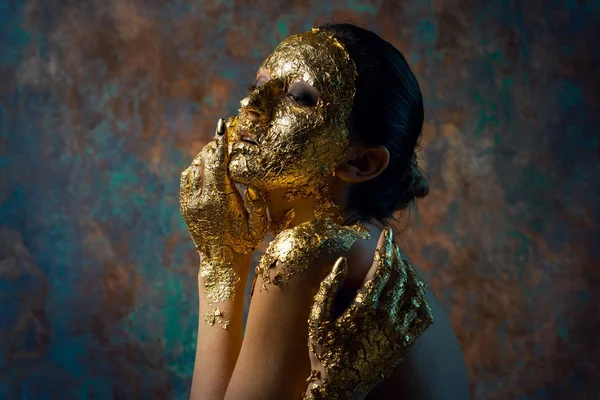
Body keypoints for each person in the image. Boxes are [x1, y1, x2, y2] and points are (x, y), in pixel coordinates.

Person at [179, 23, 470, 399]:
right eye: (258, 85)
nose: (251, 107)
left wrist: (220, 262)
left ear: (361, 163)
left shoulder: (309, 253)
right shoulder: (354, 245)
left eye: (299, 97)